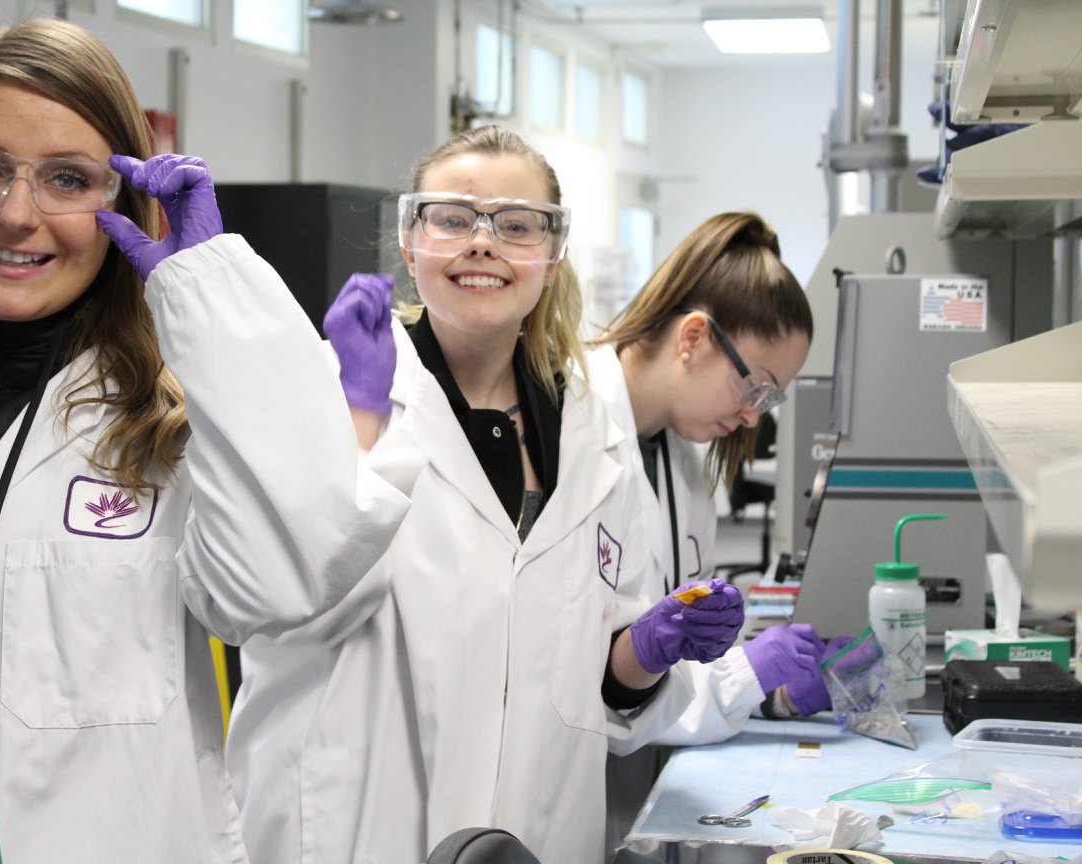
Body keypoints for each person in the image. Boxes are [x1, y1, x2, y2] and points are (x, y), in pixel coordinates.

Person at [0, 19, 408, 862]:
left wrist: (215, 298)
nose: (17, 216)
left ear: (126, 202)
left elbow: (289, 585)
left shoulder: (178, 418)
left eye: (67, 179)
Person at [225, 125, 746, 864]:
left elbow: (598, 677)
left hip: (537, 831)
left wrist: (648, 647)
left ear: (552, 252)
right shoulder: (330, 384)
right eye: (451, 218)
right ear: (411, 244)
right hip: (359, 827)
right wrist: (358, 421)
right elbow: (283, 603)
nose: (482, 242)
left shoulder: (591, 433)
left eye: (516, 224)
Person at [586, 212, 848, 851]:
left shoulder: (686, 458)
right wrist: (744, 681)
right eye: (753, 384)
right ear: (694, 337)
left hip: (631, 796)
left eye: (769, 397)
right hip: (559, 792)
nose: (753, 413)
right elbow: (587, 686)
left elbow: (662, 676)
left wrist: (762, 691)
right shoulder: (571, 429)